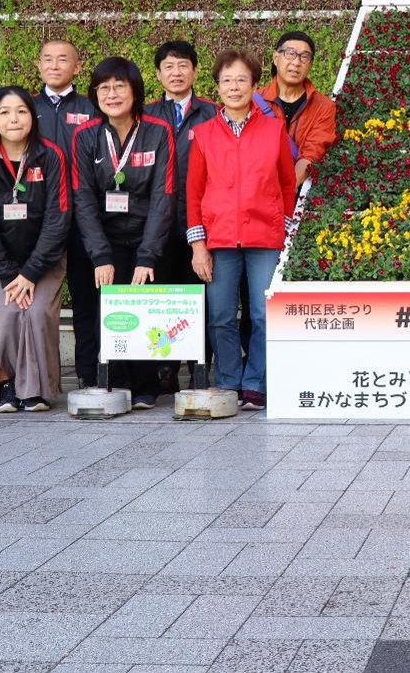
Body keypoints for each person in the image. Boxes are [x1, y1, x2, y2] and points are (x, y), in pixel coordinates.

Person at [187, 50, 296, 411]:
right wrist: (198, 245)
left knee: (263, 314)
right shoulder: (202, 134)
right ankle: (229, 382)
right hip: (218, 239)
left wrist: (283, 231)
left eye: (242, 80)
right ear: (216, 86)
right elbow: (194, 193)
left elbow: (285, 185)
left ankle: (255, 383)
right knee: (219, 315)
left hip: (264, 237)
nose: (234, 87)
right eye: (227, 80)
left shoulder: (273, 129)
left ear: (254, 85)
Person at [69, 57, 176, 410]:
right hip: (104, 239)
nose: (111, 94)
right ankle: (116, 381)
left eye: (119, 86)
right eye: (103, 88)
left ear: (135, 91)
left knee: (144, 309)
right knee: (108, 310)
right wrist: (99, 255)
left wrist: (148, 256)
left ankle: (147, 384)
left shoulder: (158, 132)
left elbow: (163, 196)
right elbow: (82, 197)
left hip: (148, 236)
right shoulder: (85, 136)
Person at [0, 86, 70, 413]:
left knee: (37, 313)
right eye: (5, 112)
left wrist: (31, 272)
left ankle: (36, 389)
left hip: (45, 259)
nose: (13, 119)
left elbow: (59, 217)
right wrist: (12, 274)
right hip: (1, 264)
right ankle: (6, 386)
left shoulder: (50, 156)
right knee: (8, 312)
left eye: (21, 111)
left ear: (32, 117)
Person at [144, 40, 218, 394]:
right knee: (163, 296)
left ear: (195, 71)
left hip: (200, 221)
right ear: (158, 74)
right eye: (169, 66)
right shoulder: (145, 114)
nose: (176, 72)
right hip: (155, 224)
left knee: (199, 296)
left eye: (183, 65)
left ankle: (199, 367)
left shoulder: (213, 113)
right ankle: (166, 368)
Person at [30, 38, 101, 388]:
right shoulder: (24, 108)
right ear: (39, 65)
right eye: (48, 59)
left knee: (87, 299)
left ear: (77, 67)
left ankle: (89, 372)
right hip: (39, 222)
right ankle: (39, 377)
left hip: (84, 221)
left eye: (63, 59)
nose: (54, 65)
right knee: (38, 301)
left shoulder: (92, 108)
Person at [259, 30, 337, 187]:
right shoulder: (254, 103)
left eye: (304, 57)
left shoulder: (324, 107)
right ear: (275, 58)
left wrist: (286, 189)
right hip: (257, 191)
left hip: (297, 192)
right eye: (290, 54)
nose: (296, 62)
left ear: (310, 64)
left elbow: (313, 151)